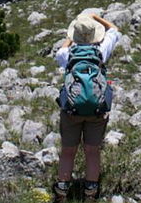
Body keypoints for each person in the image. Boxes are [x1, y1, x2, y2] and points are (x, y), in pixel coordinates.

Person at [53, 13, 121, 202]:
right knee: (92, 151)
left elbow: (60, 53)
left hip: (71, 110)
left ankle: (62, 191)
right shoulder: (102, 50)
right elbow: (115, 30)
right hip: (97, 110)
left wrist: (70, 38)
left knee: (68, 151)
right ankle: (90, 192)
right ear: (95, 36)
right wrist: (97, 18)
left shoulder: (66, 54)